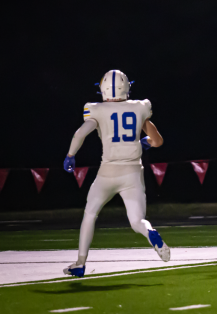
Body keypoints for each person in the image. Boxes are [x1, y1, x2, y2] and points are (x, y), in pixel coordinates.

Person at [62, 70, 169, 278]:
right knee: (138, 220)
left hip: (108, 172)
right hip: (133, 171)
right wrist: (143, 143)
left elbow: (80, 133)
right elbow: (157, 141)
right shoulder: (140, 107)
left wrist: (70, 155)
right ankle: (150, 233)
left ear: (103, 89)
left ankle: (80, 263)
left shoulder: (96, 109)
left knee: (90, 213)